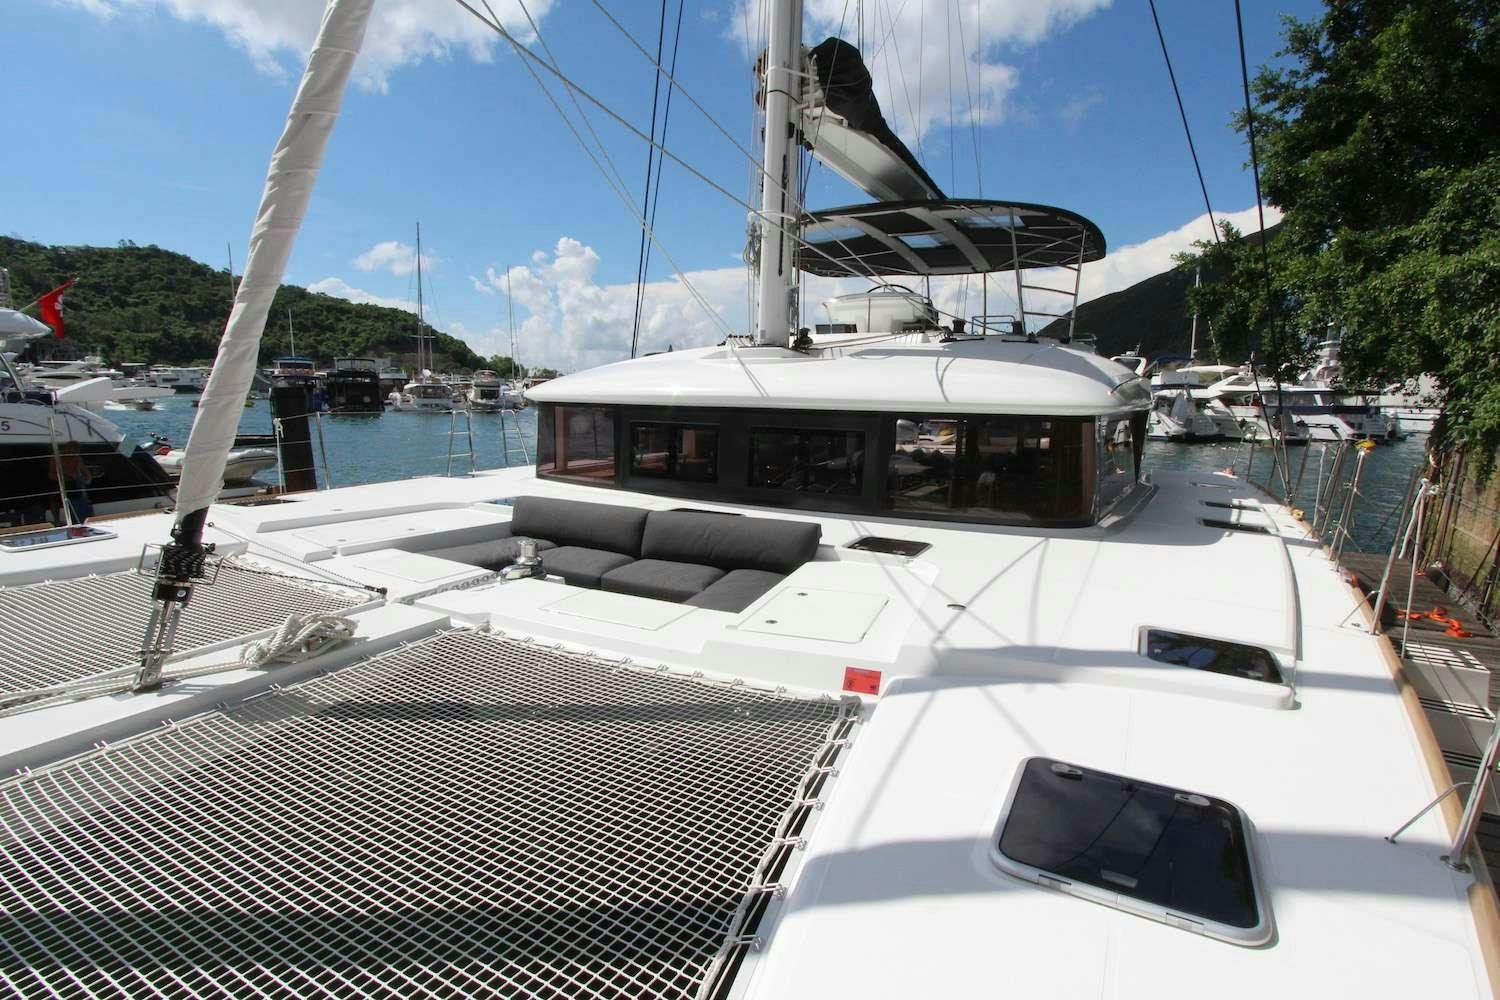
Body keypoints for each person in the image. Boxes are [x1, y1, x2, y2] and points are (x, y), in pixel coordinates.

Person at [47, 443, 94, 523]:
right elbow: (57, 469)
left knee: (79, 498)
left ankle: (80, 517)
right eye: (74, 450)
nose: (76, 452)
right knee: (55, 500)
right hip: (57, 481)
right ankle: (57, 520)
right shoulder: (56, 457)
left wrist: (88, 479)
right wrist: (72, 475)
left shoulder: (76, 457)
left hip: (73, 482)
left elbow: (84, 469)